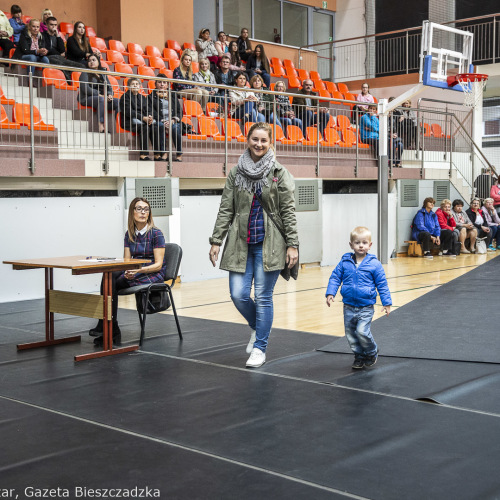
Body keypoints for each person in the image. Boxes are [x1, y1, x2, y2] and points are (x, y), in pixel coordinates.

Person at [209, 122, 298, 368]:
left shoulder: (279, 173)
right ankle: (257, 327)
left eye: (264, 141)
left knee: (263, 296)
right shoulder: (236, 173)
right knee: (238, 294)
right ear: (247, 140)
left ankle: (260, 347)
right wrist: (216, 240)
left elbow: (288, 212)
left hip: (270, 245)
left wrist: (293, 245)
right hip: (240, 243)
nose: (259, 144)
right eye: (255, 139)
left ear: (271, 144)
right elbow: (226, 208)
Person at [89, 197, 167, 346]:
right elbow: (126, 262)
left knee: (113, 284)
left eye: (146, 209)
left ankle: (108, 326)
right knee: (108, 276)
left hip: (152, 273)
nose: (143, 212)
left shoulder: (156, 233)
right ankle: (108, 325)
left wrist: (138, 271)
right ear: (132, 212)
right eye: (139, 209)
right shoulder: (129, 234)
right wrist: (126, 271)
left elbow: (158, 265)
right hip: (135, 270)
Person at [325, 226, 391, 370]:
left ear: (370, 245)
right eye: (357, 242)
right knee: (351, 334)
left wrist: (386, 303)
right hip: (348, 306)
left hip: (366, 306)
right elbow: (335, 277)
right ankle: (359, 356)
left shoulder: (374, 264)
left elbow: (382, 284)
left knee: (362, 331)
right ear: (351, 245)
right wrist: (331, 293)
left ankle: (372, 352)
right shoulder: (345, 262)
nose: (361, 245)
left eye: (364, 242)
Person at [120, 77, 161, 161]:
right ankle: (143, 154)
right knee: (145, 128)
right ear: (129, 86)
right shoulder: (125, 96)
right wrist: (143, 118)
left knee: (155, 127)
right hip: (129, 121)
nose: (135, 86)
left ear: (139, 86)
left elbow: (148, 110)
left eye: (137, 84)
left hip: (142, 121)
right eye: (133, 84)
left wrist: (149, 117)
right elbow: (128, 111)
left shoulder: (142, 97)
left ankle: (157, 154)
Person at [78, 54, 119, 133]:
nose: (91, 62)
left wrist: (109, 95)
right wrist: (100, 95)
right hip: (87, 97)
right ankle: (101, 126)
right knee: (101, 99)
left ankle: (119, 124)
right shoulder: (85, 73)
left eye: (94, 60)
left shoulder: (102, 73)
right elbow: (85, 88)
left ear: (98, 62)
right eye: (89, 61)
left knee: (118, 101)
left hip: (102, 97)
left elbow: (109, 87)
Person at [148, 78, 183, 162]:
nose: (162, 84)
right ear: (155, 84)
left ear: (167, 85)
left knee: (175, 128)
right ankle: (163, 153)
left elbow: (179, 111)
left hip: (172, 121)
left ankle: (179, 154)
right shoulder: (151, 97)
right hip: (160, 120)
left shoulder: (173, 96)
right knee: (160, 126)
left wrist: (173, 120)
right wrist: (163, 121)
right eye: (159, 82)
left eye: (164, 83)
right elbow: (151, 111)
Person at [388, 97, 404, 167]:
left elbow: (400, 127)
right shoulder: (386, 112)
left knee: (400, 145)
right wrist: (390, 134)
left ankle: (398, 162)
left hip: (395, 134)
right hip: (388, 134)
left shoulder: (397, 112)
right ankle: (392, 162)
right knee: (393, 144)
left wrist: (401, 120)